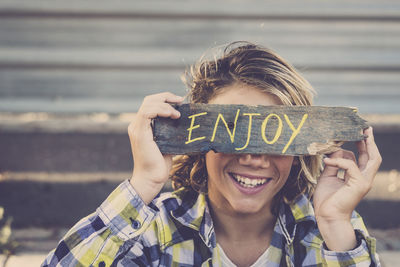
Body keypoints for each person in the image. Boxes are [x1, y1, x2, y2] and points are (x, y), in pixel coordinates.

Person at [42, 42, 382, 267]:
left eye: (275, 136)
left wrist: (337, 225)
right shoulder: (154, 230)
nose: (254, 157)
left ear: (298, 146)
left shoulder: (327, 228)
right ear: (196, 136)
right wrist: (143, 183)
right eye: (232, 132)